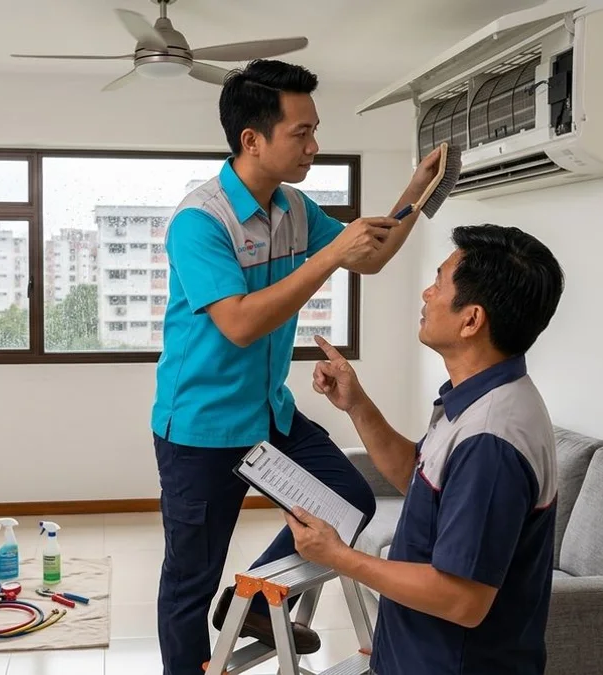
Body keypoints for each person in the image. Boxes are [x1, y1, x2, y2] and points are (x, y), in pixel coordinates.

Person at [151, 59, 444, 674]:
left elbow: (369, 259)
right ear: (252, 139)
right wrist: (330, 254)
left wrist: (415, 191)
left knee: (348, 500)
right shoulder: (200, 220)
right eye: (301, 132)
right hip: (200, 428)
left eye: (316, 130)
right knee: (188, 579)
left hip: (268, 414)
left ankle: (251, 597)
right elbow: (239, 323)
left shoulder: (294, 207)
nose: (315, 145)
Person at [287, 224, 565, 675]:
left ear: (471, 319)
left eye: (438, 282)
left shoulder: (490, 442)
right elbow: (419, 481)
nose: (426, 293)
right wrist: (357, 405)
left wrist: (339, 556)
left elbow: (462, 599)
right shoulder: (477, 399)